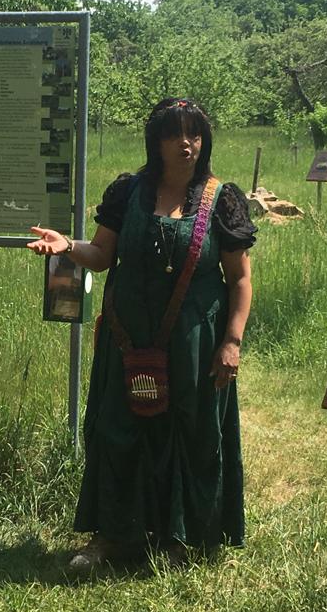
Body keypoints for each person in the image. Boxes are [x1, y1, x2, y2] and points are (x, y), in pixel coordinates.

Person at [27, 97, 255, 573]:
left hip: (193, 340)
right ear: (156, 141)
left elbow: (239, 280)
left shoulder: (222, 198)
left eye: (194, 133)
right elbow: (104, 254)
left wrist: (231, 341)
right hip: (128, 335)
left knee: (187, 432)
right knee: (118, 428)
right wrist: (67, 246)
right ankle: (113, 534)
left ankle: (179, 537)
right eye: (176, 134)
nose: (187, 143)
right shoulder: (128, 192)